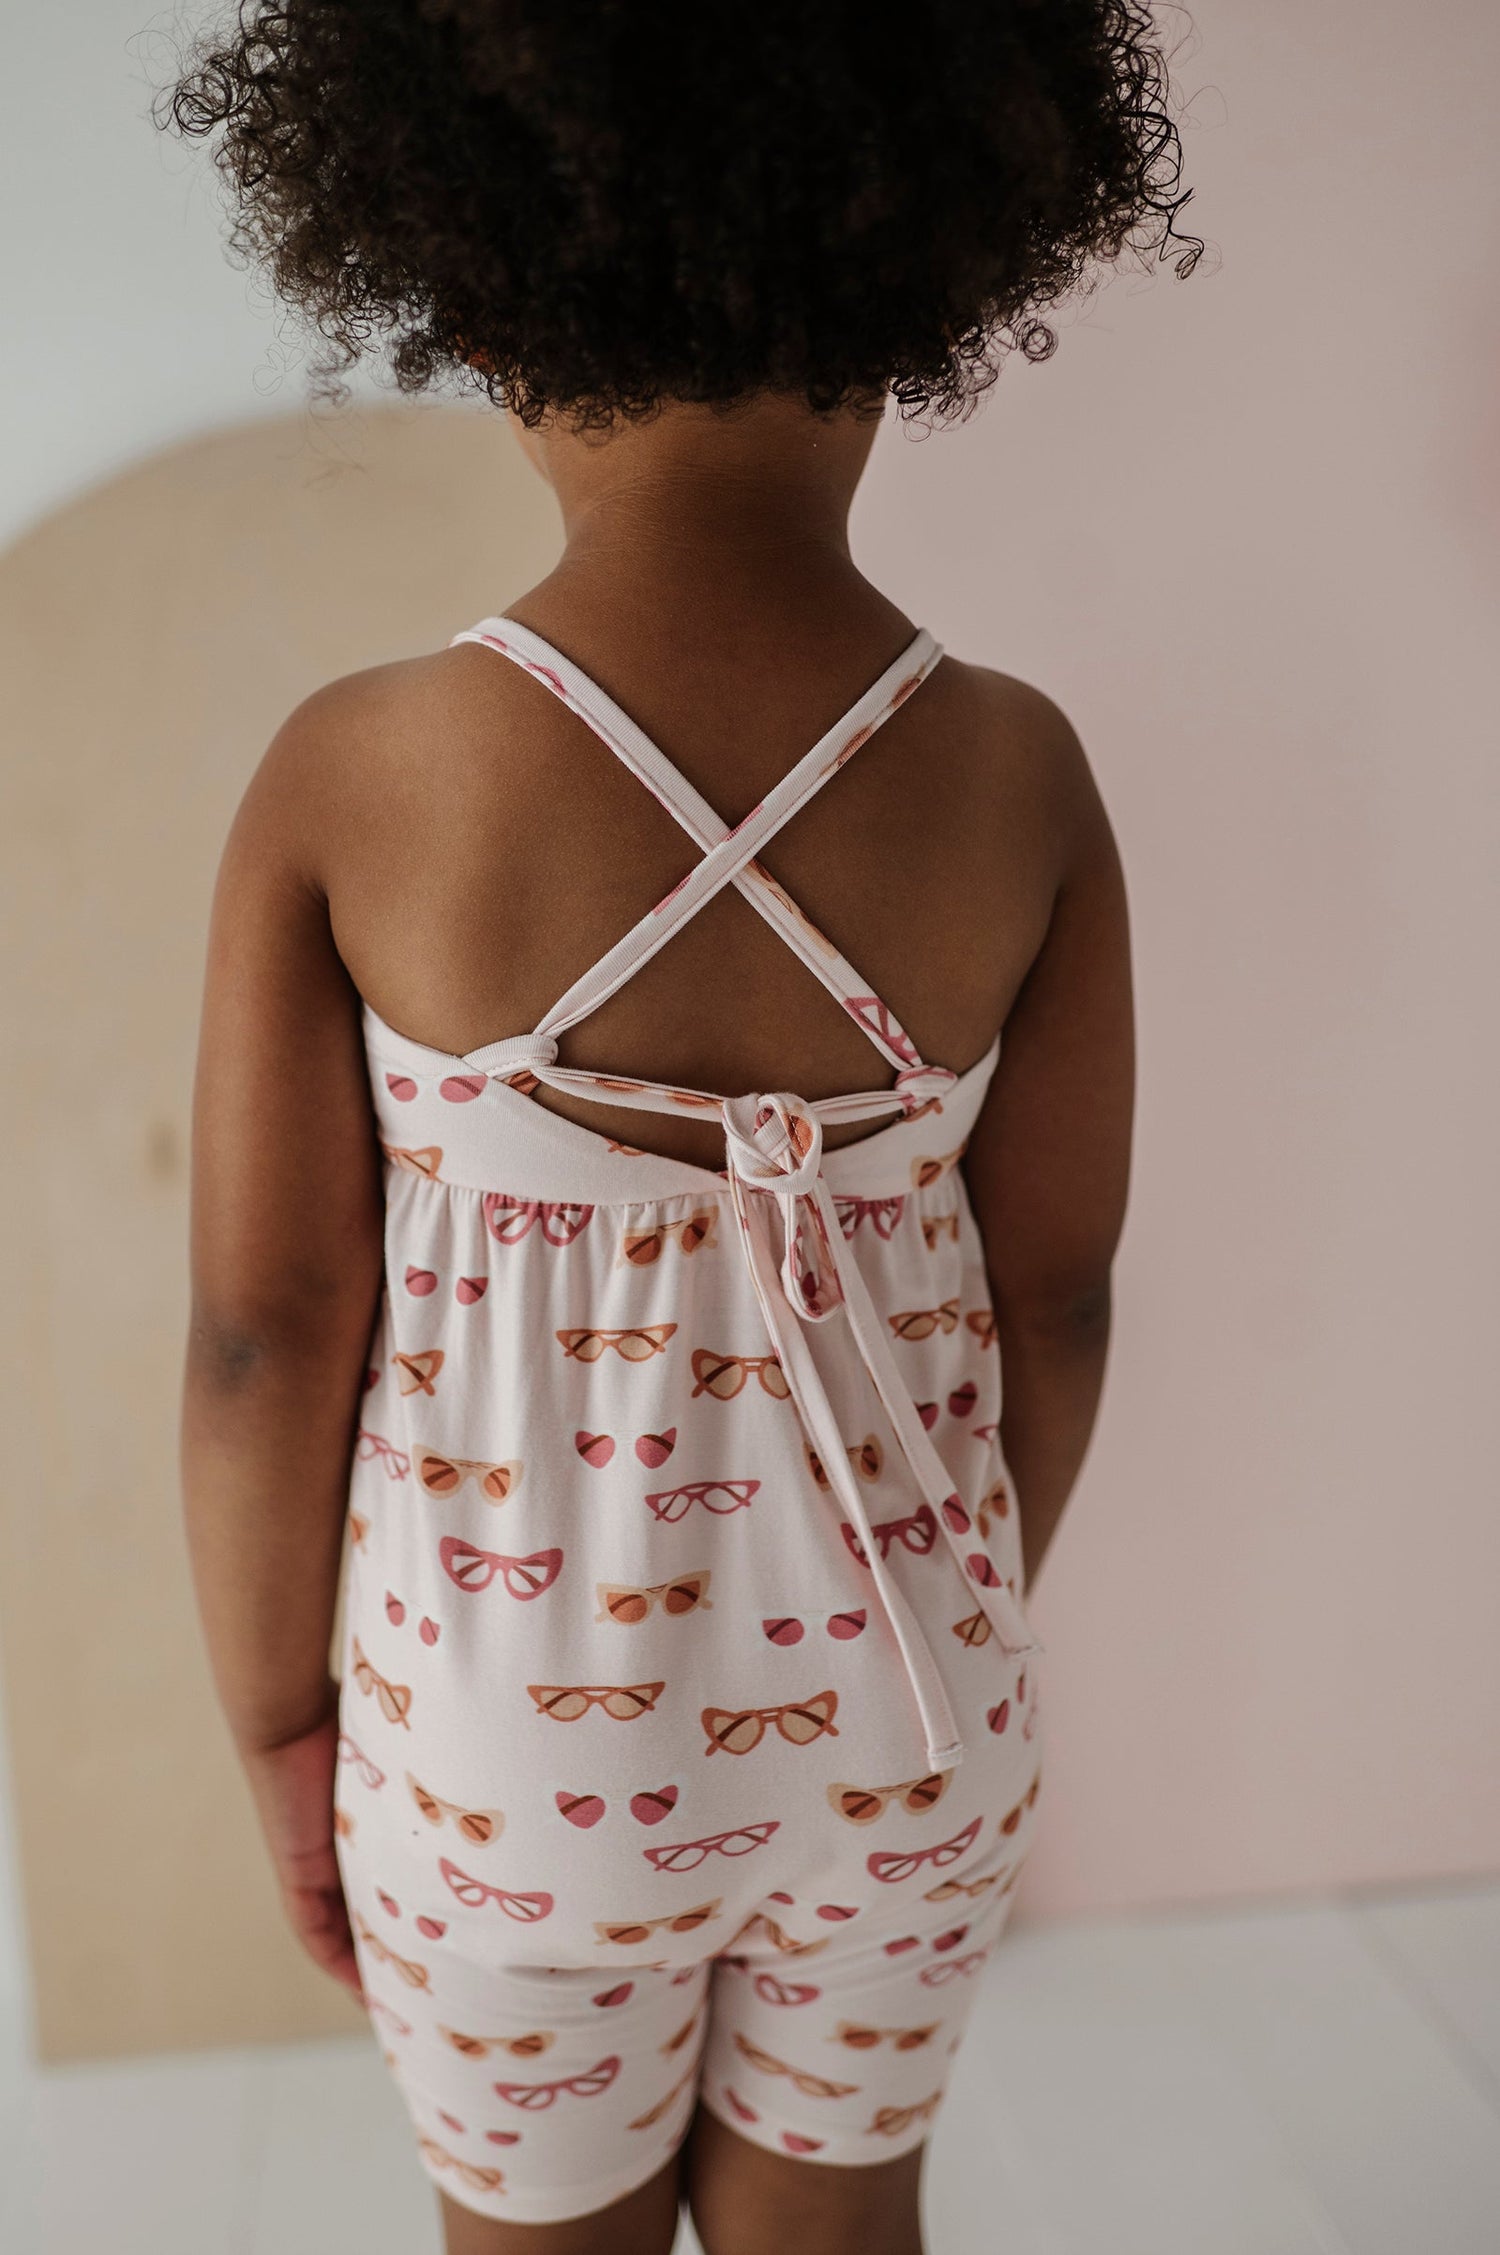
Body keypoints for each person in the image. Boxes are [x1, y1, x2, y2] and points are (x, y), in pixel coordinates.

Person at [170, 6, 1192, 2249]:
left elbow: (264, 1334)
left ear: (472, 289)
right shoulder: (1016, 774)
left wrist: (277, 1730)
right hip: (910, 1714)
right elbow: (1061, 1296)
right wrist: (945, 1636)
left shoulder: (360, 771)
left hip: (503, 1758)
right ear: (934, 282)